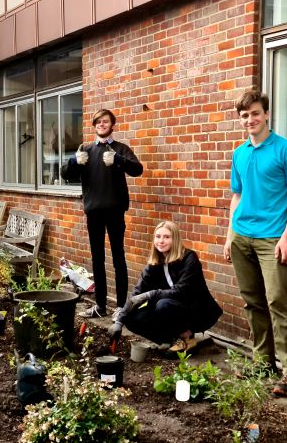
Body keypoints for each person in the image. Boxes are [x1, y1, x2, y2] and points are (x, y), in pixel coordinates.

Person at [222, 89, 287, 397]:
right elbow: (237, 195)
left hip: (273, 238)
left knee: (278, 302)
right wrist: (230, 234)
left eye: (255, 113)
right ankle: (263, 361)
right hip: (242, 236)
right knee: (253, 302)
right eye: (244, 116)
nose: (250, 120)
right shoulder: (239, 152)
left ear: (266, 114)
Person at [62, 109, 143, 319]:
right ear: (94, 125)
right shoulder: (85, 149)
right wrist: (74, 162)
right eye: (98, 121)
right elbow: (66, 175)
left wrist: (118, 160)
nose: (102, 124)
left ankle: (120, 308)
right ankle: (100, 306)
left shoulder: (121, 149)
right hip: (94, 212)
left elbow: (137, 169)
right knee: (97, 259)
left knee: (118, 258)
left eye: (105, 121)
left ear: (112, 125)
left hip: (115, 211)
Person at [109, 221, 222, 352]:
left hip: (197, 311)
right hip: (169, 307)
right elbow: (136, 293)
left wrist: (151, 294)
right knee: (132, 317)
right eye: (158, 237)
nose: (161, 241)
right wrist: (119, 321)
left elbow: (181, 291)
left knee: (163, 305)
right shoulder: (154, 263)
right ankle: (170, 340)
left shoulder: (189, 258)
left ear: (175, 239)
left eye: (166, 237)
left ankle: (187, 338)